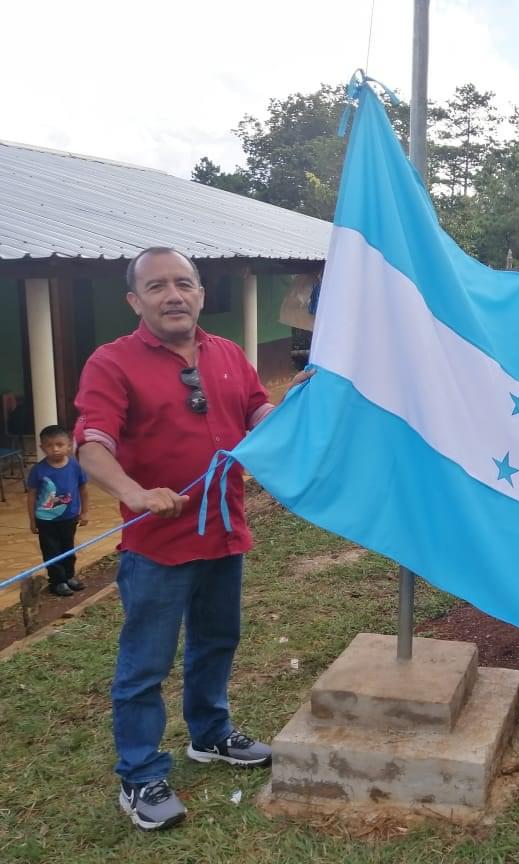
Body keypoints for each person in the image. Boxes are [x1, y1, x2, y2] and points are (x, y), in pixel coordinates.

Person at [74, 247, 303, 831]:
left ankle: (211, 733)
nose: (172, 295)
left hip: (225, 533)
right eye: (156, 287)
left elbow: (255, 411)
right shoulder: (112, 362)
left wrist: (288, 408)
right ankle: (141, 774)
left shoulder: (227, 354)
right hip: (158, 544)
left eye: (184, 283)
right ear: (135, 300)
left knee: (218, 640)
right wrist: (135, 490)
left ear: (201, 292)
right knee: (145, 666)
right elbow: (91, 443)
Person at [26, 424, 89, 597]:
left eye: (60, 444)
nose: (55, 449)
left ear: (69, 445)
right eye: (49, 445)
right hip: (45, 519)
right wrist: (32, 520)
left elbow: (83, 490)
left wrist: (84, 512)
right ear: (42, 447)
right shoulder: (38, 470)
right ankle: (57, 581)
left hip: (69, 517)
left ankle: (69, 576)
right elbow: (31, 496)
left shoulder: (75, 466)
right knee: (51, 550)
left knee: (68, 548)